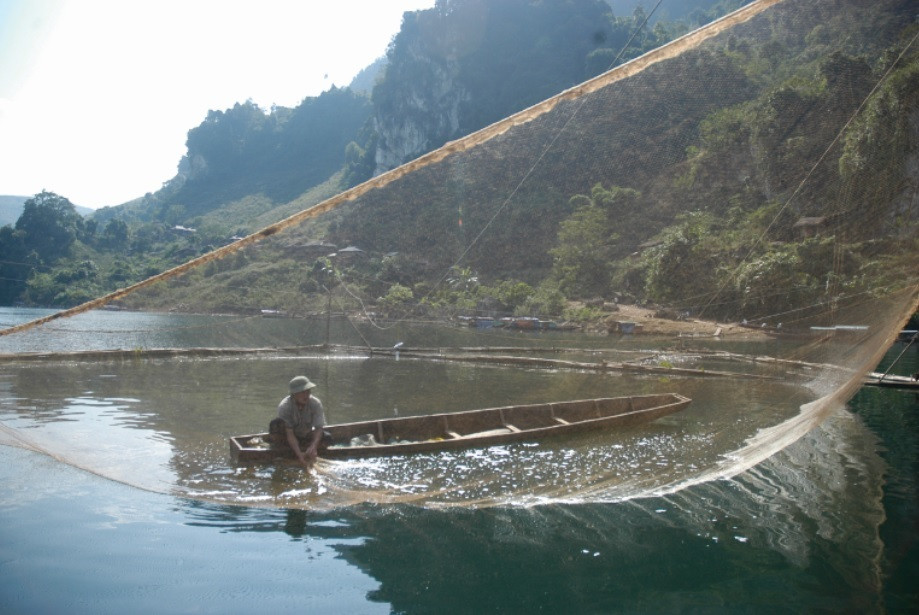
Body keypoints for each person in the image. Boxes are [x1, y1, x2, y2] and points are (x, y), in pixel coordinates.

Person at [269, 375, 331, 467]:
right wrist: (299, 455)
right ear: (294, 394)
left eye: (308, 391)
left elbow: (319, 427)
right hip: (289, 437)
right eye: (302, 392)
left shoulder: (315, 403)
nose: (306, 395)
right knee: (275, 424)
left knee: (327, 437)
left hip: (305, 435)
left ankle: (309, 449)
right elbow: (289, 433)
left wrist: (313, 446)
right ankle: (283, 449)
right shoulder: (285, 406)